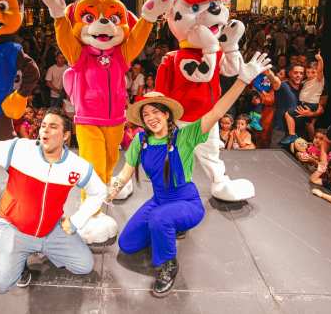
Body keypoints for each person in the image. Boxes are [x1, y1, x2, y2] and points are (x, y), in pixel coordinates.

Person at [106, 53, 269, 297]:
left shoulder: (185, 135)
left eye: (155, 112)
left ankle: (169, 264)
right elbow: (124, 174)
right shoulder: (140, 141)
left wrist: (242, 80)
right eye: (146, 114)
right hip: (159, 202)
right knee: (127, 244)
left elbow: (217, 111)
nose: (151, 118)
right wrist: (108, 194)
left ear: (167, 114)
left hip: (186, 203)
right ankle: (168, 228)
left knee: (159, 219)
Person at [0, 105, 106, 294]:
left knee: (84, 266)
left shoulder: (76, 165)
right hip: (14, 227)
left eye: (53, 127)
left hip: (51, 230)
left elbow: (99, 191)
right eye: (43, 126)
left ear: (66, 135)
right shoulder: (19, 148)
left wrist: (76, 222)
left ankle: (45, 250)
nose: (45, 130)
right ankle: (20, 261)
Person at [281, 53, 324, 144]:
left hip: (310, 104)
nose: (310, 74)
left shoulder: (318, 80)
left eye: (313, 72)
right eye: (308, 72)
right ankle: (312, 141)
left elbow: (320, 70)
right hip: (305, 103)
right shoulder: (306, 81)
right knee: (308, 123)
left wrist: (320, 60)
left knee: (288, 113)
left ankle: (292, 134)